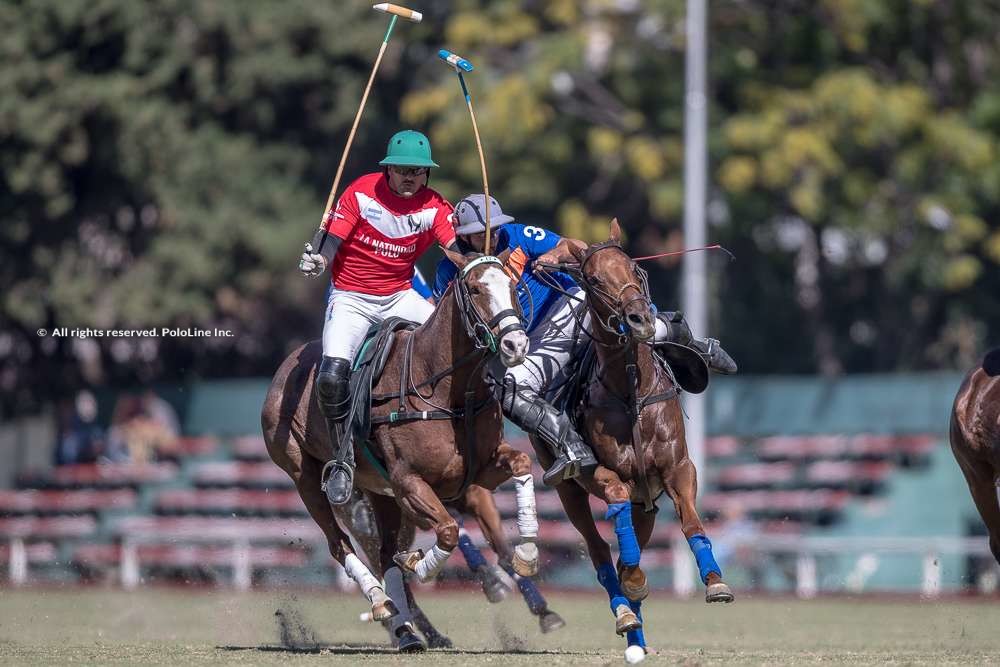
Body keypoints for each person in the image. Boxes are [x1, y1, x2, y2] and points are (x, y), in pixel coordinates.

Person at [433, 195, 736, 486]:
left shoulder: (517, 235)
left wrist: (553, 255)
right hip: (532, 344)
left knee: (631, 326)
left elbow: (574, 246)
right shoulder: (450, 271)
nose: (491, 235)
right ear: (462, 234)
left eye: (494, 227)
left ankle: (695, 344)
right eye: (479, 233)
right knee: (511, 391)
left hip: (568, 309)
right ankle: (570, 446)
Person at [298, 130, 460, 504]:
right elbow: (332, 240)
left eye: (418, 172)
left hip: (400, 296)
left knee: (457, 344)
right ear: (388, 169)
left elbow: (456, 249)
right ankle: (341, 461)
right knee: (332, 375)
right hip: (352, 298)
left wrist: (480, 258)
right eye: (403, 170)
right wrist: (318, 260)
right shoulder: (360, 192)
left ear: (427, 175)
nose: (410, 178)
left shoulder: (435, 206)